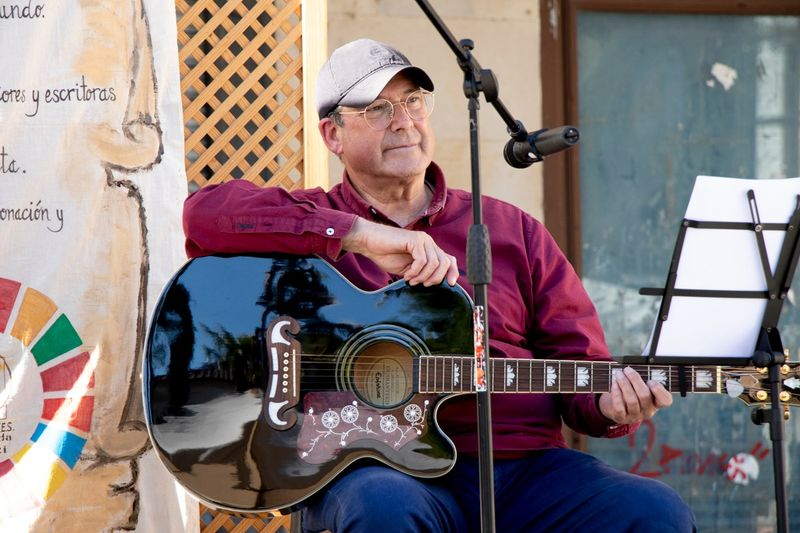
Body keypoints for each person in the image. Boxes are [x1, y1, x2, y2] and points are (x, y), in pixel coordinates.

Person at [183, 38, 696, 532]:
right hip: (374, 467)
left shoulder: (512, 230)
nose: (403, 121)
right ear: (333, 135)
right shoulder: (315, 222)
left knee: (654, 511)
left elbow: (582, 366)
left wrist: (609, 406)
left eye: (412, 101)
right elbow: (202, 216)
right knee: (383, 505)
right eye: (378, 109)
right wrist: (358, 235)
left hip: (524, 470)